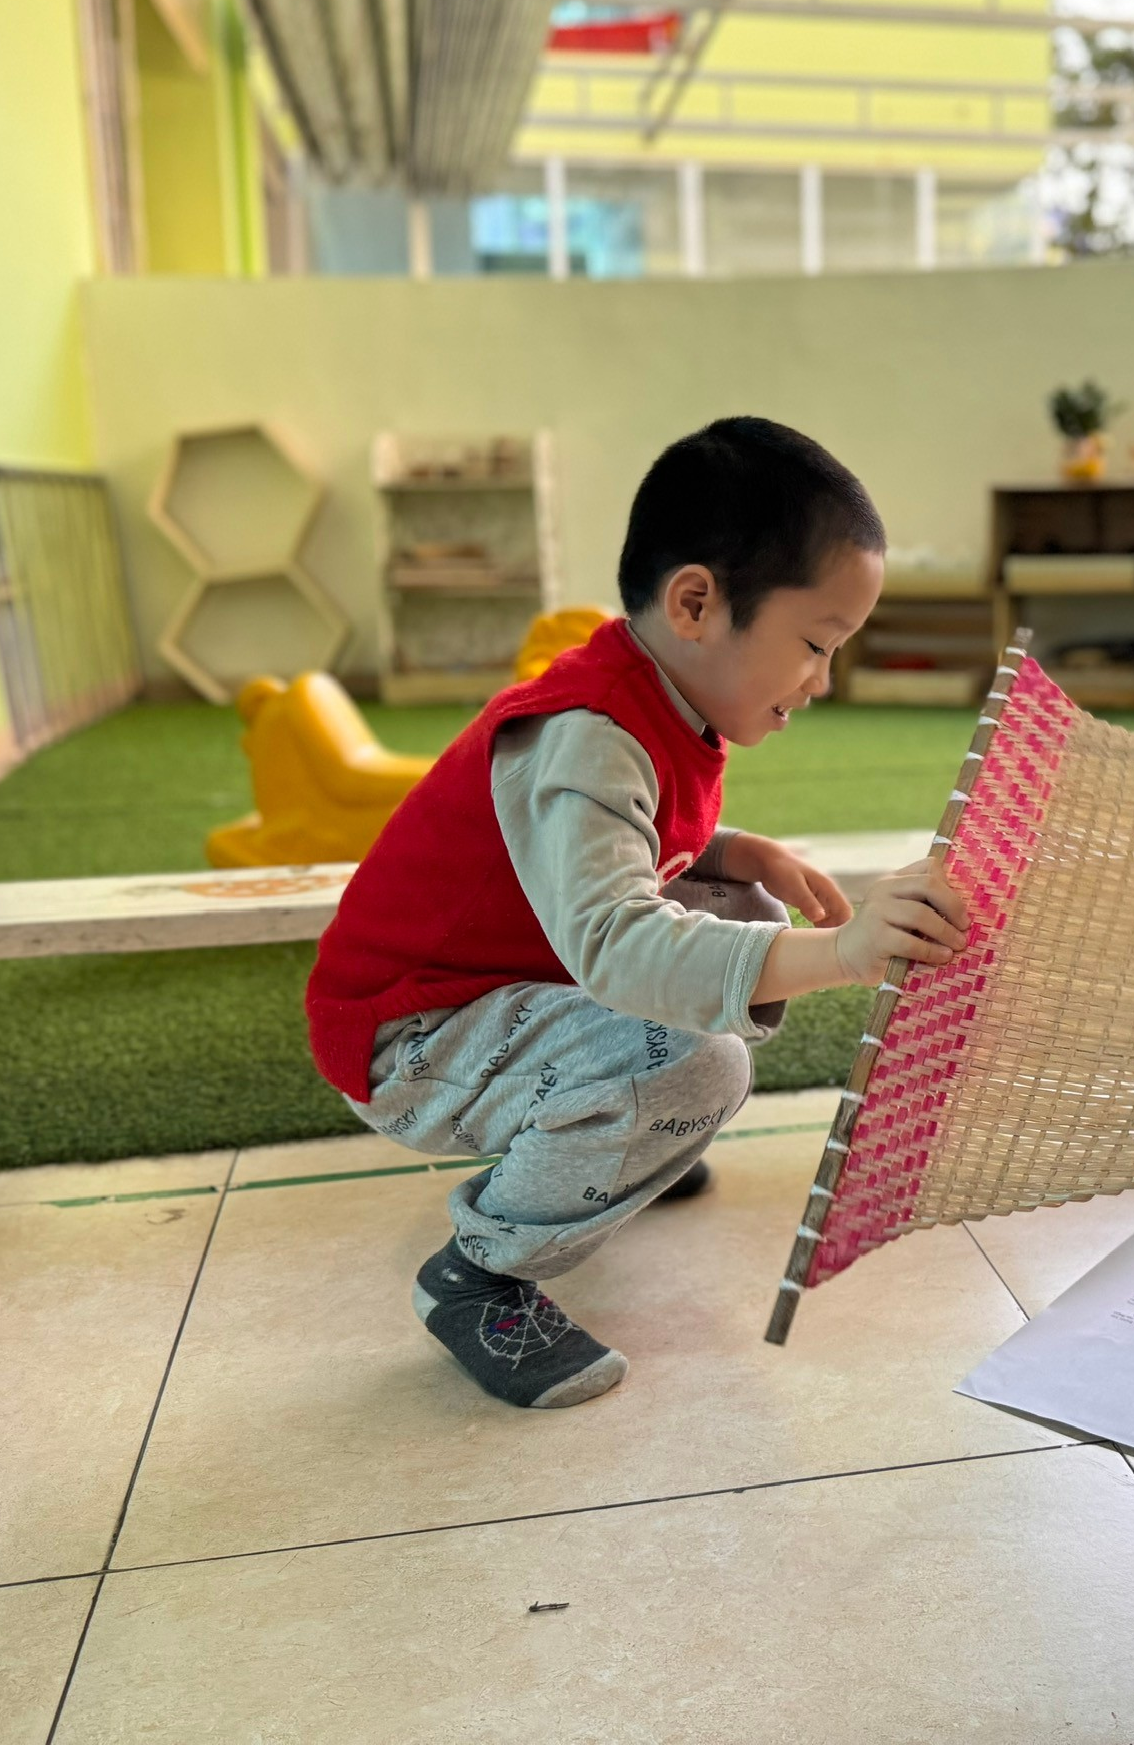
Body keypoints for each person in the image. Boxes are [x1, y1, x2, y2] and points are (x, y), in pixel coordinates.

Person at [305, 417, 970, 1409]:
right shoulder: (587, 733)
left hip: (494, 993)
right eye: (814, 644)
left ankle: (607, 1142)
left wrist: (733, 853)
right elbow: (616, 941)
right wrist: (842, 952)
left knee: (729, 909)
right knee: (698, 1064)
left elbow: (621, 844)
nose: (822, 681)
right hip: (408, 1040)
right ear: (696, 603)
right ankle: (478, 1275)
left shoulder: (654, 697)